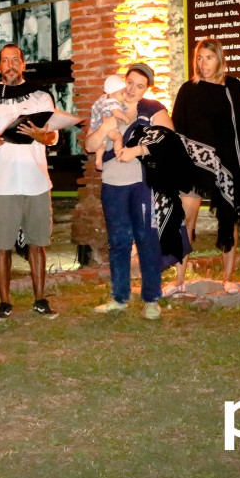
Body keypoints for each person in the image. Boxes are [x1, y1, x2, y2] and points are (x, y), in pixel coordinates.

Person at [169, 38, 240, 295]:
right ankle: (178, 280)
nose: (203, 63)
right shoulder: (188, 89)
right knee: (186, 220)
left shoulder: (232, 87)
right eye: (199, 58)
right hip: (194, 163)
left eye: (208, 57)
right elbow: (178, 128)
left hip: (225, 163)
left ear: (220, 59)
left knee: (228, 218)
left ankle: (227, 278)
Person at [0, 43, 59, 321]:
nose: (9, 65)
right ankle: (5, 302)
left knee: (37, 242)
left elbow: (52, 137)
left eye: (15, 60)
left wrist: (39, 136)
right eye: (4, 60)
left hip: (36, 180)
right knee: (1, 245)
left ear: (23, 64)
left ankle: (40, 299)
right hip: (2, 183)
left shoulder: (41, 96)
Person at [85, 63, 174, 320]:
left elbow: (168, 140)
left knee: (147, 240)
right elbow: (91, 146)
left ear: (147, 88)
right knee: (119, 242)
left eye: (140, 85)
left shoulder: (152, 109)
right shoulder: (107, 104)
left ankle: (151, 299)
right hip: (112, 184)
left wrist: (137, 150)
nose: (133, 89)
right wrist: (105, 127)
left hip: (141, 183)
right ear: (124, 81)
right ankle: (120, 298)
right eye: (130, 82)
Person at [89, 75, 129, 171]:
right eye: (122, 93)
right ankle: (119, 154)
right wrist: (126, 119)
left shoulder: (103, 100)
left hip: (99, 126)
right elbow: (116, 113)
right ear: (112, 94)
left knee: (102, 144)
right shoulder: (113, 102)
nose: (125, 95)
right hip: (109, 126)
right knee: (118, 137)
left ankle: (98, 160)